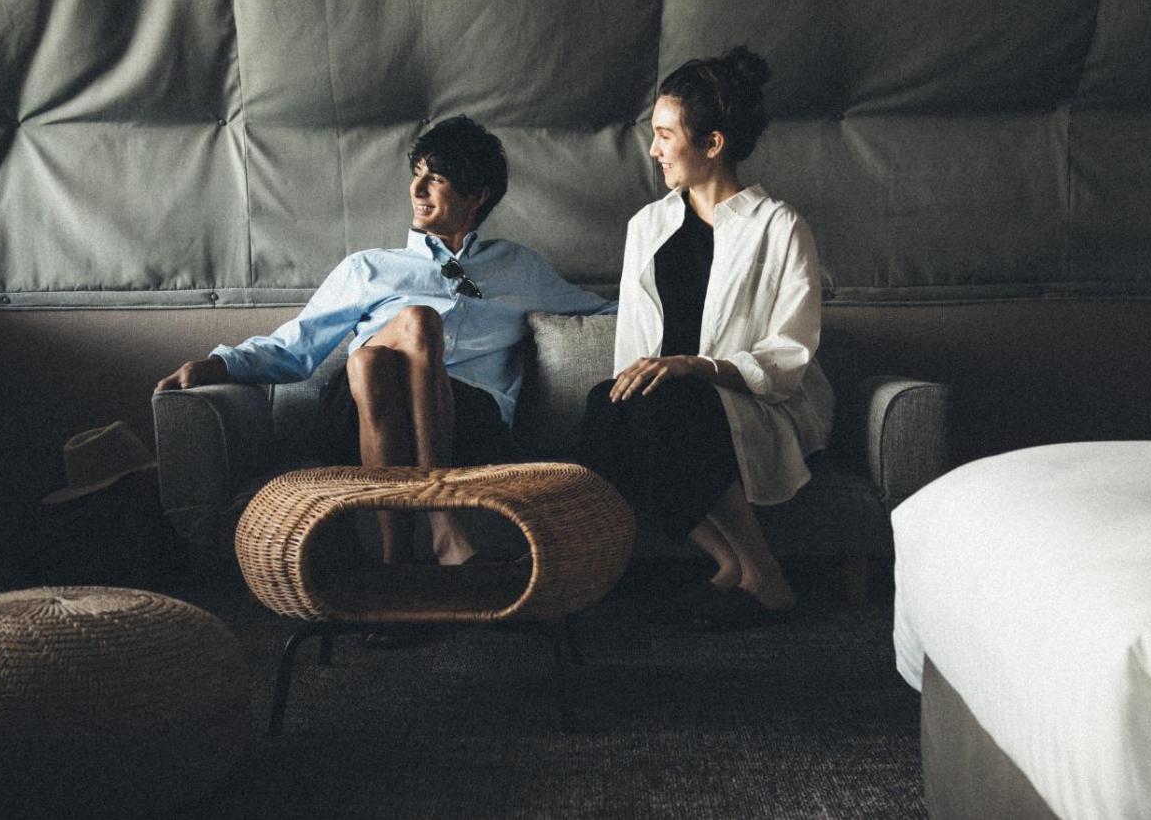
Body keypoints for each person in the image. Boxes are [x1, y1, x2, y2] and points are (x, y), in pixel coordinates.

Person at [157, 115, 615, 574]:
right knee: (406, 331)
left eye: (435, 179)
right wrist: (220, 364)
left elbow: (607, 311)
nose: (417, 190)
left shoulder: (520, 268)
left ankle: (394, 562)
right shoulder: (369, 268)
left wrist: (661, 345)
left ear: (477, 195)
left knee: (378, 354)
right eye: (417, 174)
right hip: (356, 418)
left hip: (470, 425)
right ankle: (442, 523)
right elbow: (296, 348)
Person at [577, 47, 834, 631]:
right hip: (674, 402)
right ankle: (730, 563)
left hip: (759, 400)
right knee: (606, 406)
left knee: (674, 401)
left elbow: (790, 353)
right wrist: (646, 379)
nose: (653, 149)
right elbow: (634, 349)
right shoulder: (647, 227)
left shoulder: (780, 226)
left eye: (665, 135)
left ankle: (765, 575)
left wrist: (695, 366)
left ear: (713, 143)